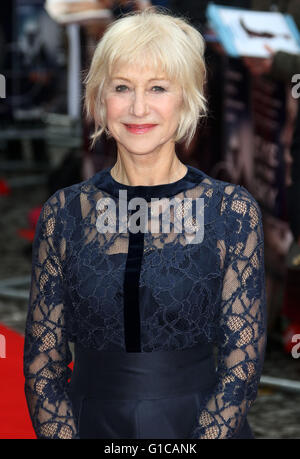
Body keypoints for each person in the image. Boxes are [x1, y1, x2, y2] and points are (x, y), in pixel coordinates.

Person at [23, 8, 267, 439]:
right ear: (100, 98)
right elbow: (44, 363)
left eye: (158, 87)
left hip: (200, 427)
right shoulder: (64, 213)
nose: (138, 107)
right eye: (122, 87)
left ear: (188, 98)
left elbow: (240, 365)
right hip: (88, 426)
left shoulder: (231, 212)